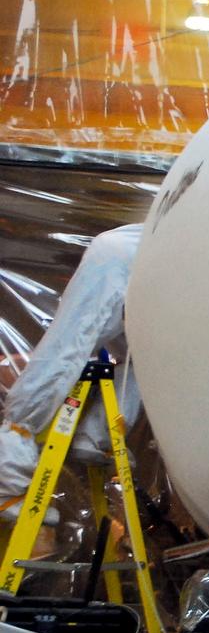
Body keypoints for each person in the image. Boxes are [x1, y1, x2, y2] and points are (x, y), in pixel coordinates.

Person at [0, 224, 143, 524]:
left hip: (148, 268)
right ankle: (5, 478)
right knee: (69, 348)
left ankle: (93, 433)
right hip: (124, 263)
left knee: (145, 360)